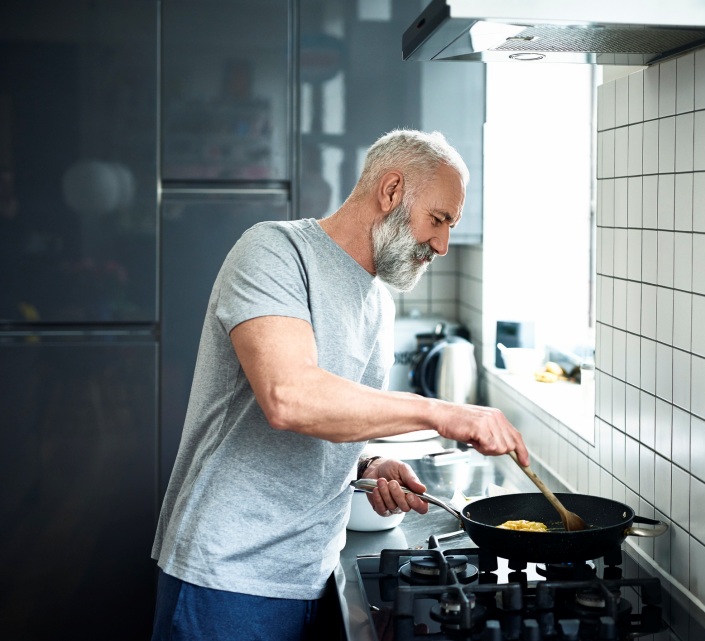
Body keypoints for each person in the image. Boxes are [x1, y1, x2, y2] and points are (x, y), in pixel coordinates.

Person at [150, 129, 529, 640]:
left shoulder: (378, 303)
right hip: (228, 574)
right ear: (391, 191)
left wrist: (367, 464)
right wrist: (444, 412)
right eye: (437, 220)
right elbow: (290, 398)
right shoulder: (275, 251)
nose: (442, 244)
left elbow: (332, 418)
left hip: (311, 574)